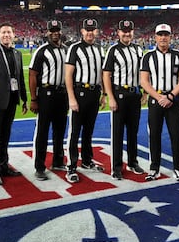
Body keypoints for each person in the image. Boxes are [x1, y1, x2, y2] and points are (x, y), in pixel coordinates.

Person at [140, 23, 179, 181]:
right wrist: (159, 97)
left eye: (166, 34)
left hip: (172, 99)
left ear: (170, 37)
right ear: (155, 37)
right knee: (154, 135)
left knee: (176, 135)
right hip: (156, 99)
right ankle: (154, 168)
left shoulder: (178, 56)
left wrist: (170, 96)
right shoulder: (148, 56)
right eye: (160, 35)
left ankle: (178, 168)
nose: (163, 37)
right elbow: (144, 81)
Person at [0, 23, 28, 186]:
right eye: (3, 32)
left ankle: (3, 166)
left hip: (12, 100)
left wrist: (24, 99)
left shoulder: (17, 53)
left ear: (13, 34)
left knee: (5, 136)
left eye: (9, 32)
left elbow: (20, 78)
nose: (6, 35)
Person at [64, 18, 106, 183]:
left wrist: (103, 94)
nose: (90, 32)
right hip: (80, 92)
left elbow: (102, 74)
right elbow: (68, 75)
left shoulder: (99, 49)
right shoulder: (74, 48)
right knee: (75, 132)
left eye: (92, 29)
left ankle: (87, 161)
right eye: (87, 29)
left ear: (96, 31)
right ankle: (71, 167)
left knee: (89, 130)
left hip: (94, 93)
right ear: (82, 31)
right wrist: (71, 98)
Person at [103, 20, 146, 180]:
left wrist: (145, 92)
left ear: (133, 32)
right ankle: (116, 167)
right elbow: (106, 74)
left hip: (135, 95)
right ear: (118, 33)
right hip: (119, 95)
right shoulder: (113, 50)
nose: (126, 34)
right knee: (118, 133)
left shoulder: (138, 50)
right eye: (124, 31)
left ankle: (133, 162)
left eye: (129, 31)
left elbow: (143, 73)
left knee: (133, 132)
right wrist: (110, 97)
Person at [29, 20, 68, 181]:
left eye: (57, 30)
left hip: (62, 94)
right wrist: (33, 98)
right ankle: (39, 166)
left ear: (61, 31)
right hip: (46, 94)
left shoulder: (67, 50)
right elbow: (32, 75)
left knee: (60, 130)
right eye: (52, 30)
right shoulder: (42, 51)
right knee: (43, 132)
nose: (55, 33)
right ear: (47, 32)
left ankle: (58, 161)